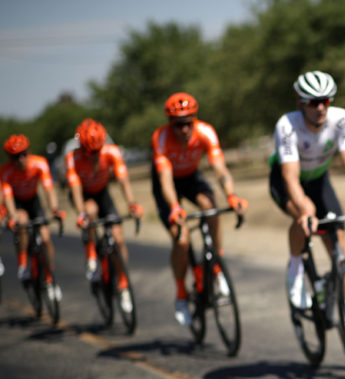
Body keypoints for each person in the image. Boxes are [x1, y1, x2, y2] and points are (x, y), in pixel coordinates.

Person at [269, 71, 345, 349]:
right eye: (313, 102)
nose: (321, 107)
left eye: (325, 100)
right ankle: (296, 268)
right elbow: (289, 177)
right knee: (304, 217)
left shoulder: (341, 119)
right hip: (287, 182)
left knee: (339, 251)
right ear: (301, 103)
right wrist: (305, 207)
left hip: (319, 181)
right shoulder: (287, 125)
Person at [151, 92, 248, 326]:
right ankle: (181, 294)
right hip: (168, 184)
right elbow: (165, 180)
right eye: (178, 124)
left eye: (188, 123)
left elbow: (220, 169)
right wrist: (174, 207)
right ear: (170, 123)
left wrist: (232, 196)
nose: (184, 130)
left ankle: (216, 267)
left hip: (191, 177)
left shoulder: (205, 132)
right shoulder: (161, 138)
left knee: (210, 207)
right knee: (182, 239)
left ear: (195, 120)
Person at [66, 118, 143, 313]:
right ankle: (91, 255)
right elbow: (75, 190)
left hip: (102, 193)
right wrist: (81, 214)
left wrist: (132, 204)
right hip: (83, 195)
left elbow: (123, 181)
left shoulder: (112, 152)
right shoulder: (72, 158)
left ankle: (123, 284)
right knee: (90, 210)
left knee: (118, 237)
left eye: (97, 152)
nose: (93, 157)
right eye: (88, 153)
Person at [1, 134, 65, 300]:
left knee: (45, 238)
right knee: (21, 221)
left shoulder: (39, 163)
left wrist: (55, 209)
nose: (21, 159)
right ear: (10, 158)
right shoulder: (6, 171)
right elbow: (7, 197)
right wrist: (12, 217)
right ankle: (23, 264)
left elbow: (49, 188)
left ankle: (49, 278)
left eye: (24, 154)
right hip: (17, 204)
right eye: (16, 156)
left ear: (28, 152)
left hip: (33, 202)